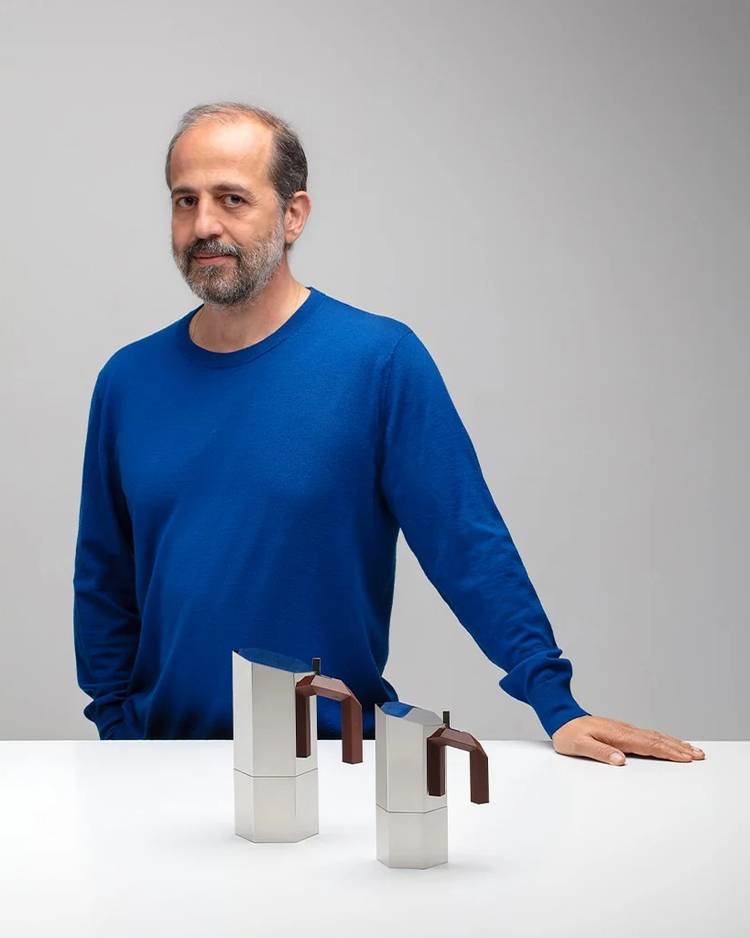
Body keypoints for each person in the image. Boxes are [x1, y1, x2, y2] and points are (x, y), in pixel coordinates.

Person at [72, 101, 705, 767]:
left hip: (330, 764)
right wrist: (118, 734)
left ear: (294, 215)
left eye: (232, 199)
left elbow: (465, 542)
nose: (205, 224)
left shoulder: (377, 363)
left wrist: (557, 703)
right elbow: (104, 578)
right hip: (160, 764)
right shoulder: (128, 381)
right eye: (186, 200)